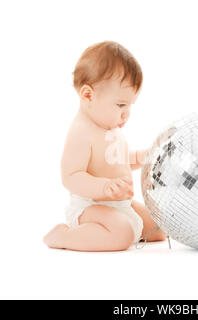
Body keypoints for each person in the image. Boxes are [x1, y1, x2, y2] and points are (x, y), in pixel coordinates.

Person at [43, 41, 167, 252]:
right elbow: (71, 177)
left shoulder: (109, 127)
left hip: (120, 206)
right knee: (122, 234)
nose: (127, 113)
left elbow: (119, 160)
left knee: (159, 227)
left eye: (130, 105)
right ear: (88, 95)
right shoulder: (81, 133)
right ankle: (64, 236)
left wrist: (144, 157)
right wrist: (103, 187)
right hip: (90, 208)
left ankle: (117, 231)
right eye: (121, 105)